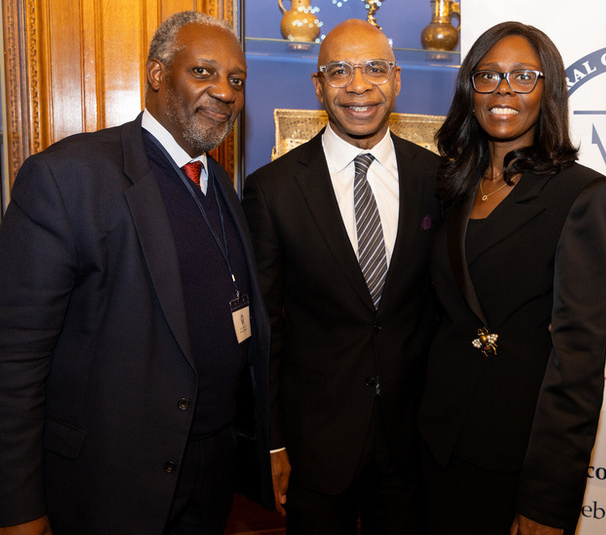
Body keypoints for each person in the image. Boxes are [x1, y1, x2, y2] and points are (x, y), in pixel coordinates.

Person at [0, 11, 273, 534]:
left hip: (210, 478)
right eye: (203, 72)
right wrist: (16, 510)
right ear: (157, 74)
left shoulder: (223, 189)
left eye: (236, 80)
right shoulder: (66, 177)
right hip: (108, 484)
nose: (225, 92)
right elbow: (10, 363)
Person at [416, 21, 606, 535]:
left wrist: (547, 502)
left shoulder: (581, 195)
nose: (504, 90)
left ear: (547, 89)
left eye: (523, 76)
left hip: (512, 450)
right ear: (470, 90)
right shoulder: (450, 184)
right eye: (489, 76)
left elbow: (577, 364)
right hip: (432, 440)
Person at [241, 18, 442, 535]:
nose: (358, 85)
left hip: (411, 439)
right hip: (314, 445)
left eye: (375, 68)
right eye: (339, 71)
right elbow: (266, 327)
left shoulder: (438, 178)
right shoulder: (274, 189)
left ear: (396, 79)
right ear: (318, 85)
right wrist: (272, 439)